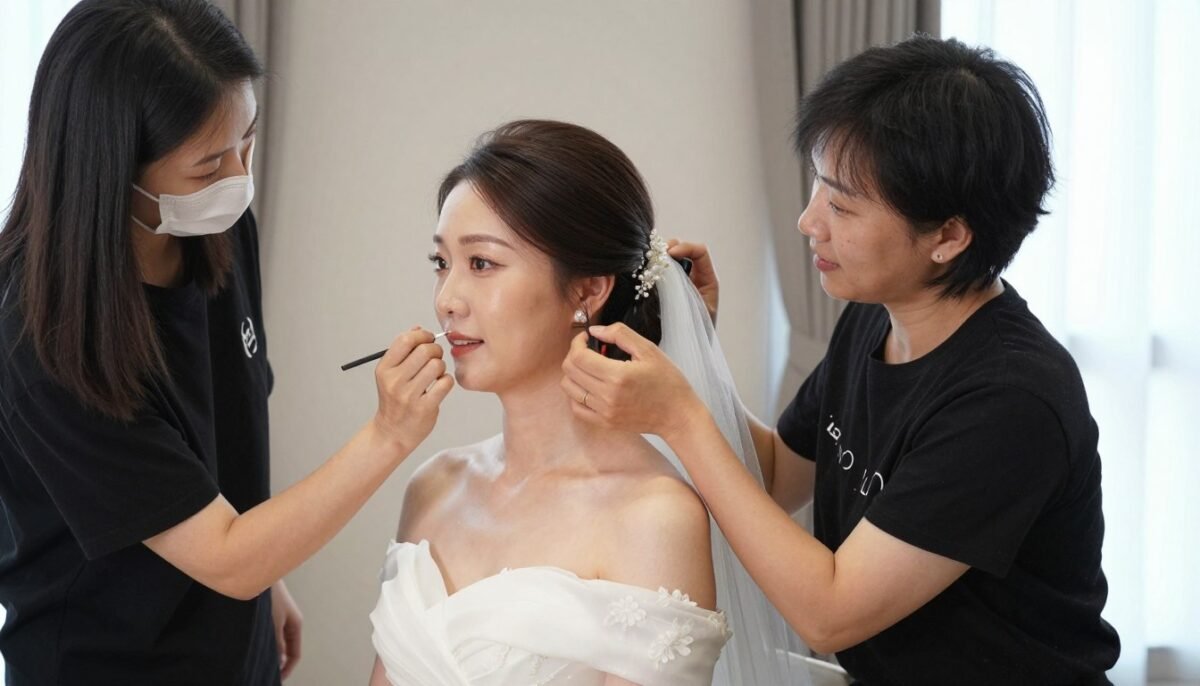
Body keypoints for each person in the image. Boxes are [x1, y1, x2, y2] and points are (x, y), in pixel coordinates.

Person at [562, 35, 1121, 684]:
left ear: (948, 236)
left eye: (842, 205)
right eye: (817, 189)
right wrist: (697, 347)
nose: (808, 222)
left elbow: (829, 612)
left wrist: (681, 417)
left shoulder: (1010, 400)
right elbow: (774, 475)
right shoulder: (873, 320)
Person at [0, 2, 451, 684]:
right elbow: (227, 554)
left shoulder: (212, 227)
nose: (238, 179)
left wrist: (270, 582)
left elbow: (223, 460)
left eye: (248, 141)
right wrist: (388, 434)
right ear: (110, 168)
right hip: (106, 662)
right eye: (208, 165)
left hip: (230, 629)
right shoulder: (39, 341)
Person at [367, 120, 810, 686]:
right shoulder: (431, 485)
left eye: (481, 264)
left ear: (587, 291)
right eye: (441, 263)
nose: (447, 299)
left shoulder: (654, 517)